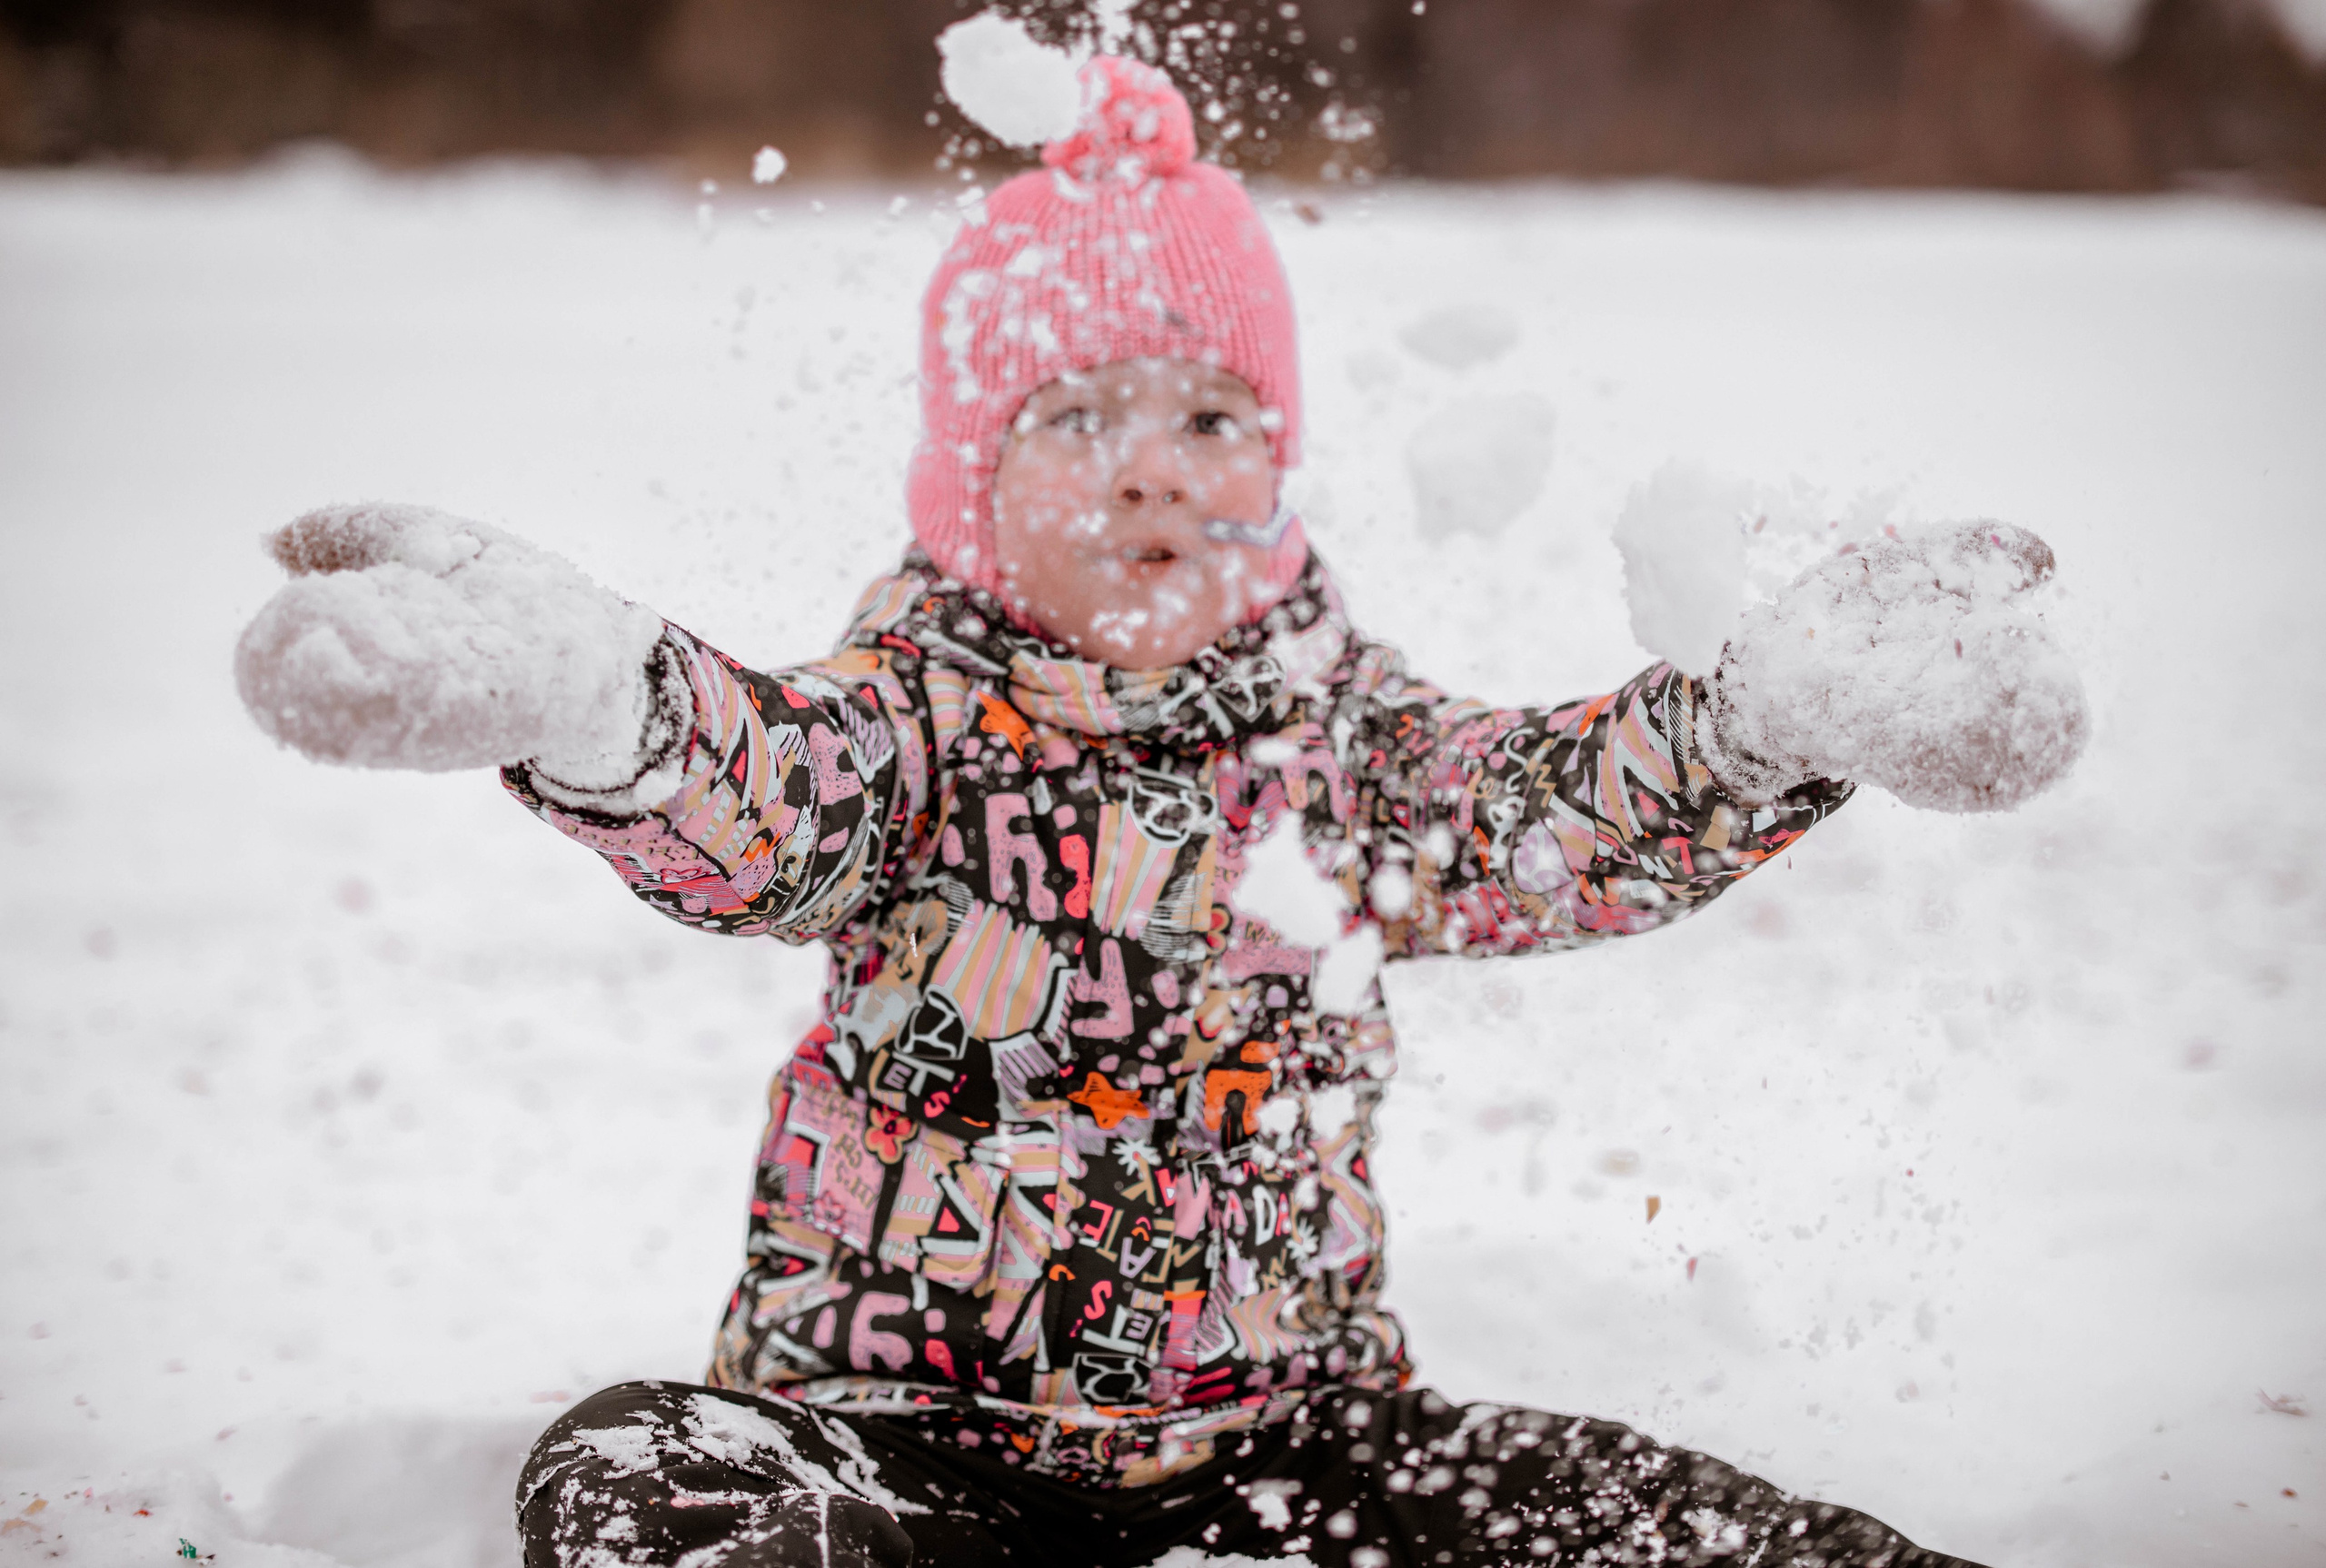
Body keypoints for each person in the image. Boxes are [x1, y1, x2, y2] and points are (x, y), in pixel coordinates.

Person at [237, 55, 2081, 1568]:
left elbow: (1542, 820)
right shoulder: (911, 716)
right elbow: (765, 800)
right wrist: (605, 701)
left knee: (1629, 1515)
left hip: (1295, 1456)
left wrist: (1752, 725)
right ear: (971, 486)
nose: (1150, 472)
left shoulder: (1339, 738)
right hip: (901, 1458)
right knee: (639, 1463)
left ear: (1275, 464)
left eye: (1208, 420)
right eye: (1074, 420)